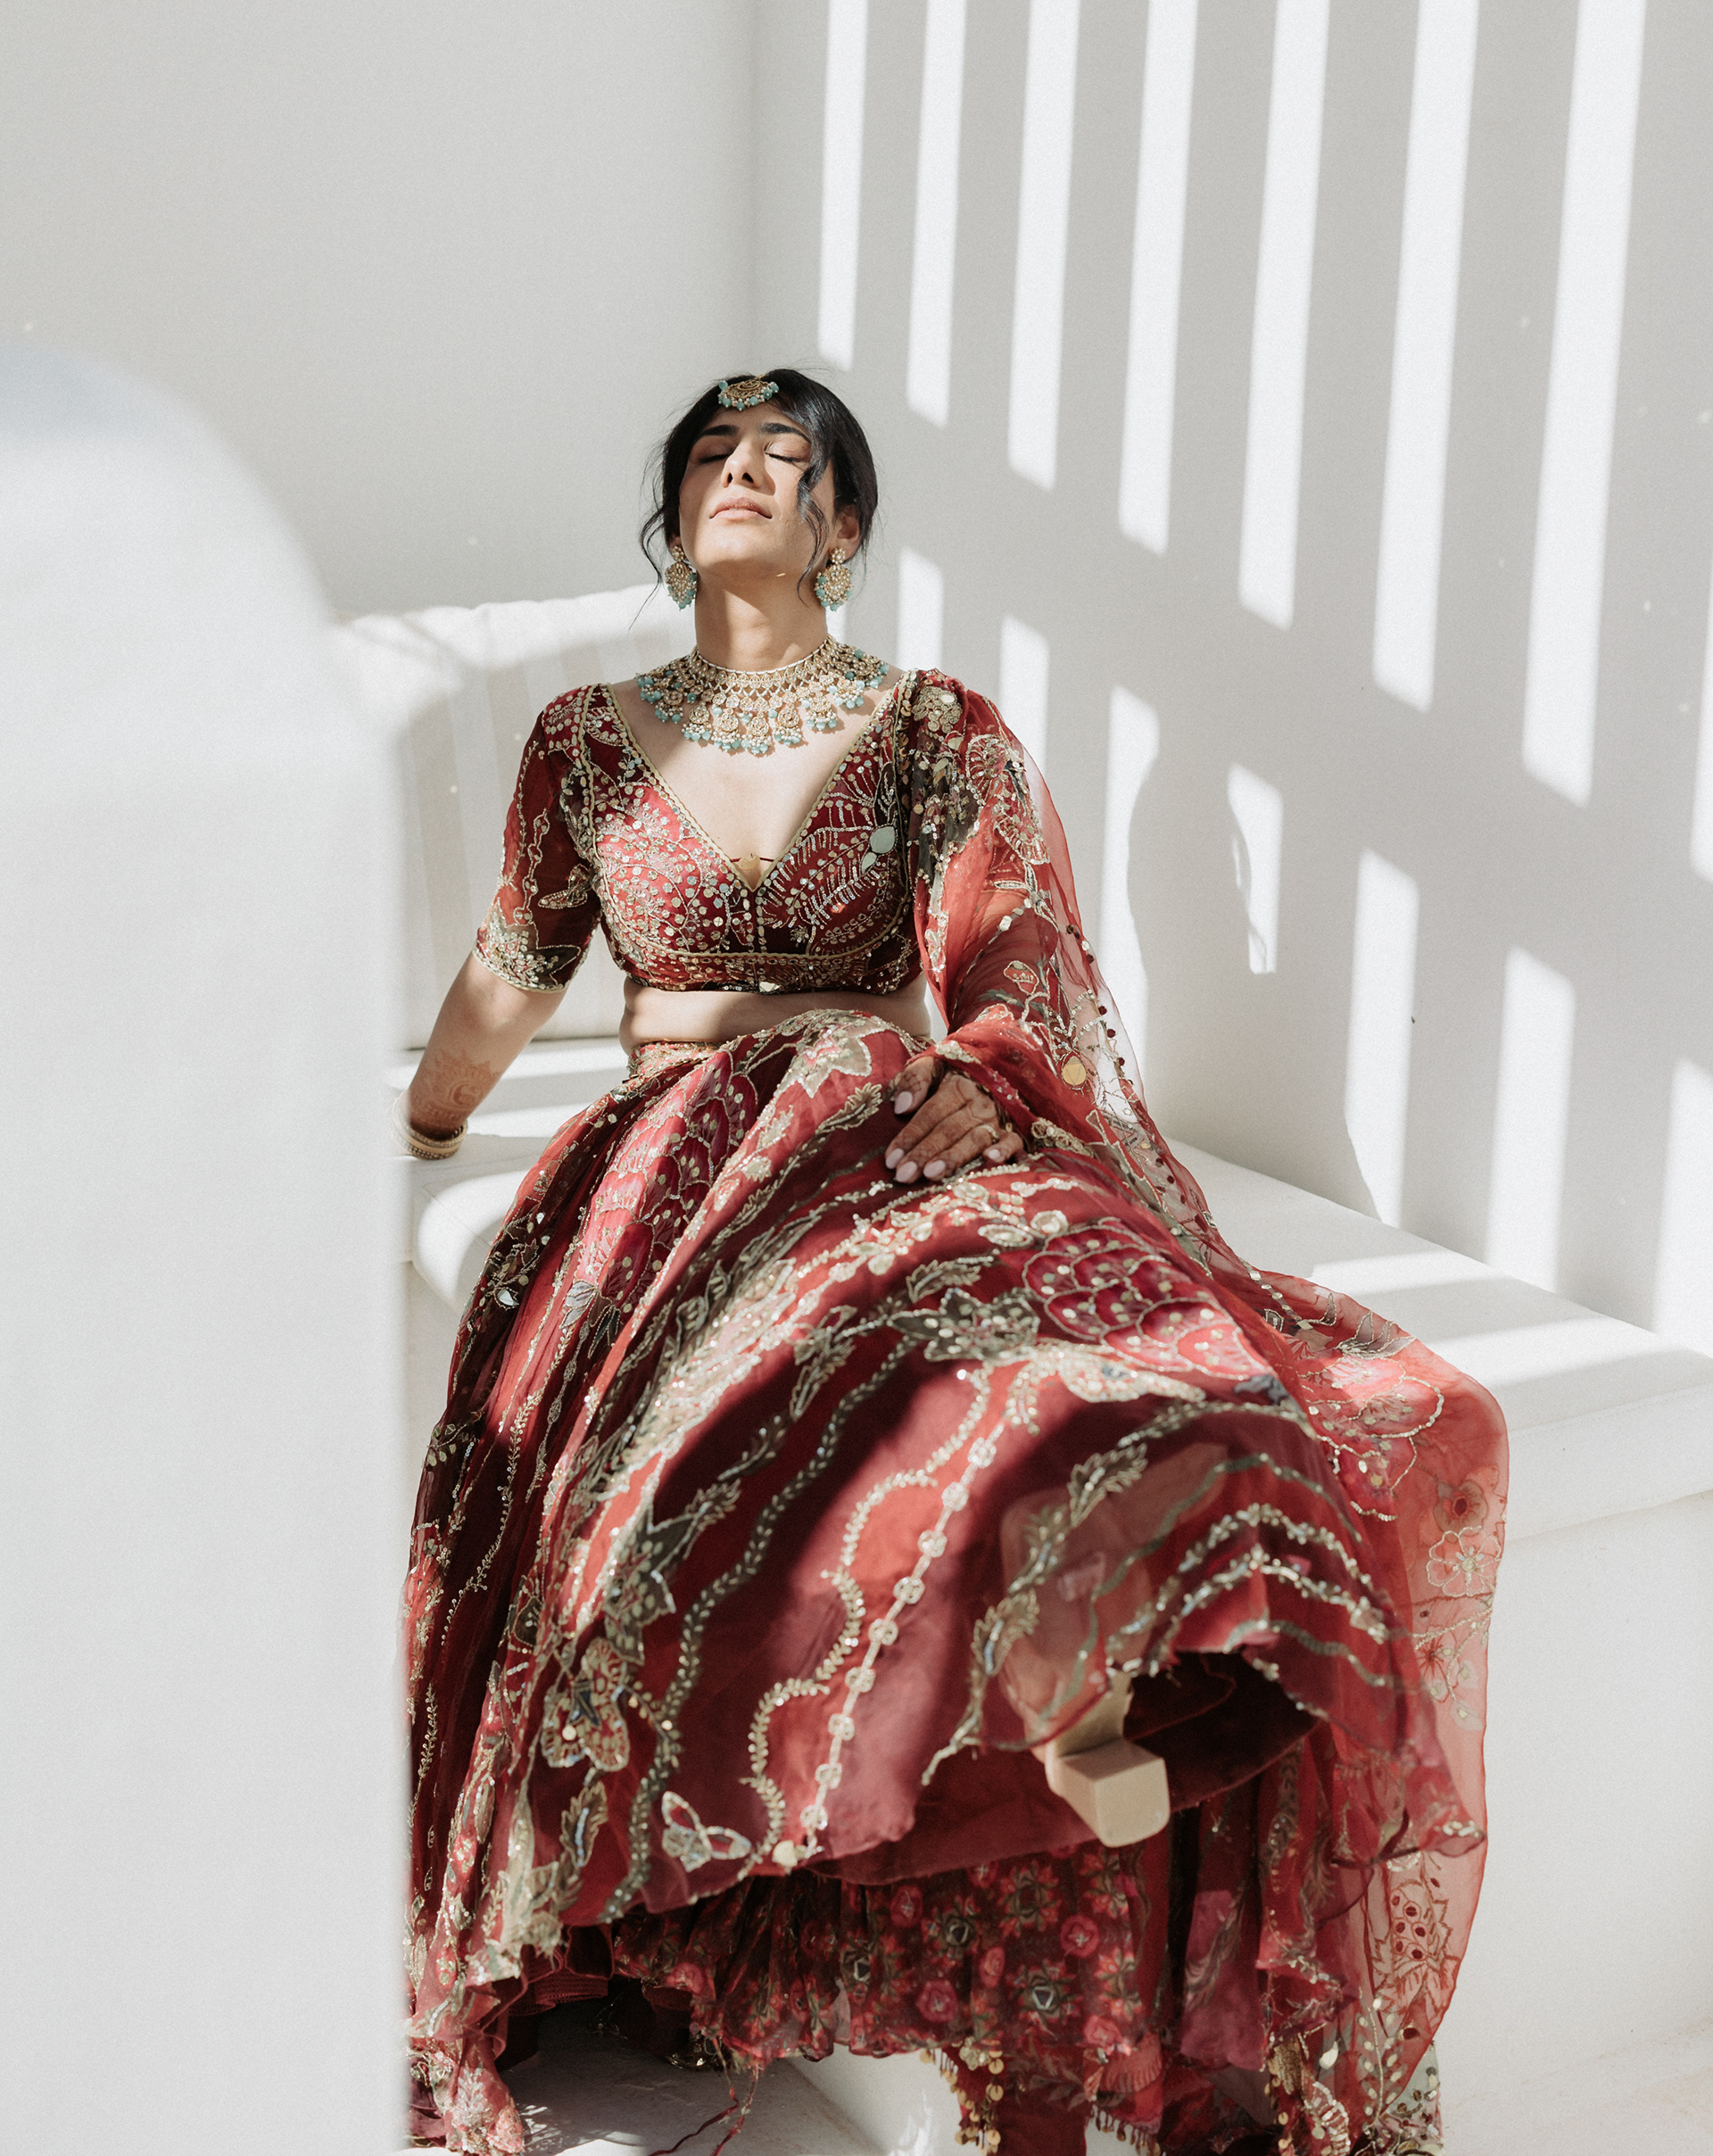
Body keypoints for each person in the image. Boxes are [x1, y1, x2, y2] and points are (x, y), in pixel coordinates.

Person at [400, 371, 1504, 2156]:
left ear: (842, 523)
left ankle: (1111, 1683)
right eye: (710, 454)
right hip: (681, 1146)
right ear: (673, 515)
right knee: (767, 1401)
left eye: (786, 457)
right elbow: (510, 969)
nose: (741, 472)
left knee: (1064, 1351)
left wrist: (984, 1075)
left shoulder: (931, 730)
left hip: (886, 1108)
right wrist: (427, 1122)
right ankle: (1030, 1697)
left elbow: (1014, 961)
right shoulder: (587, 741)